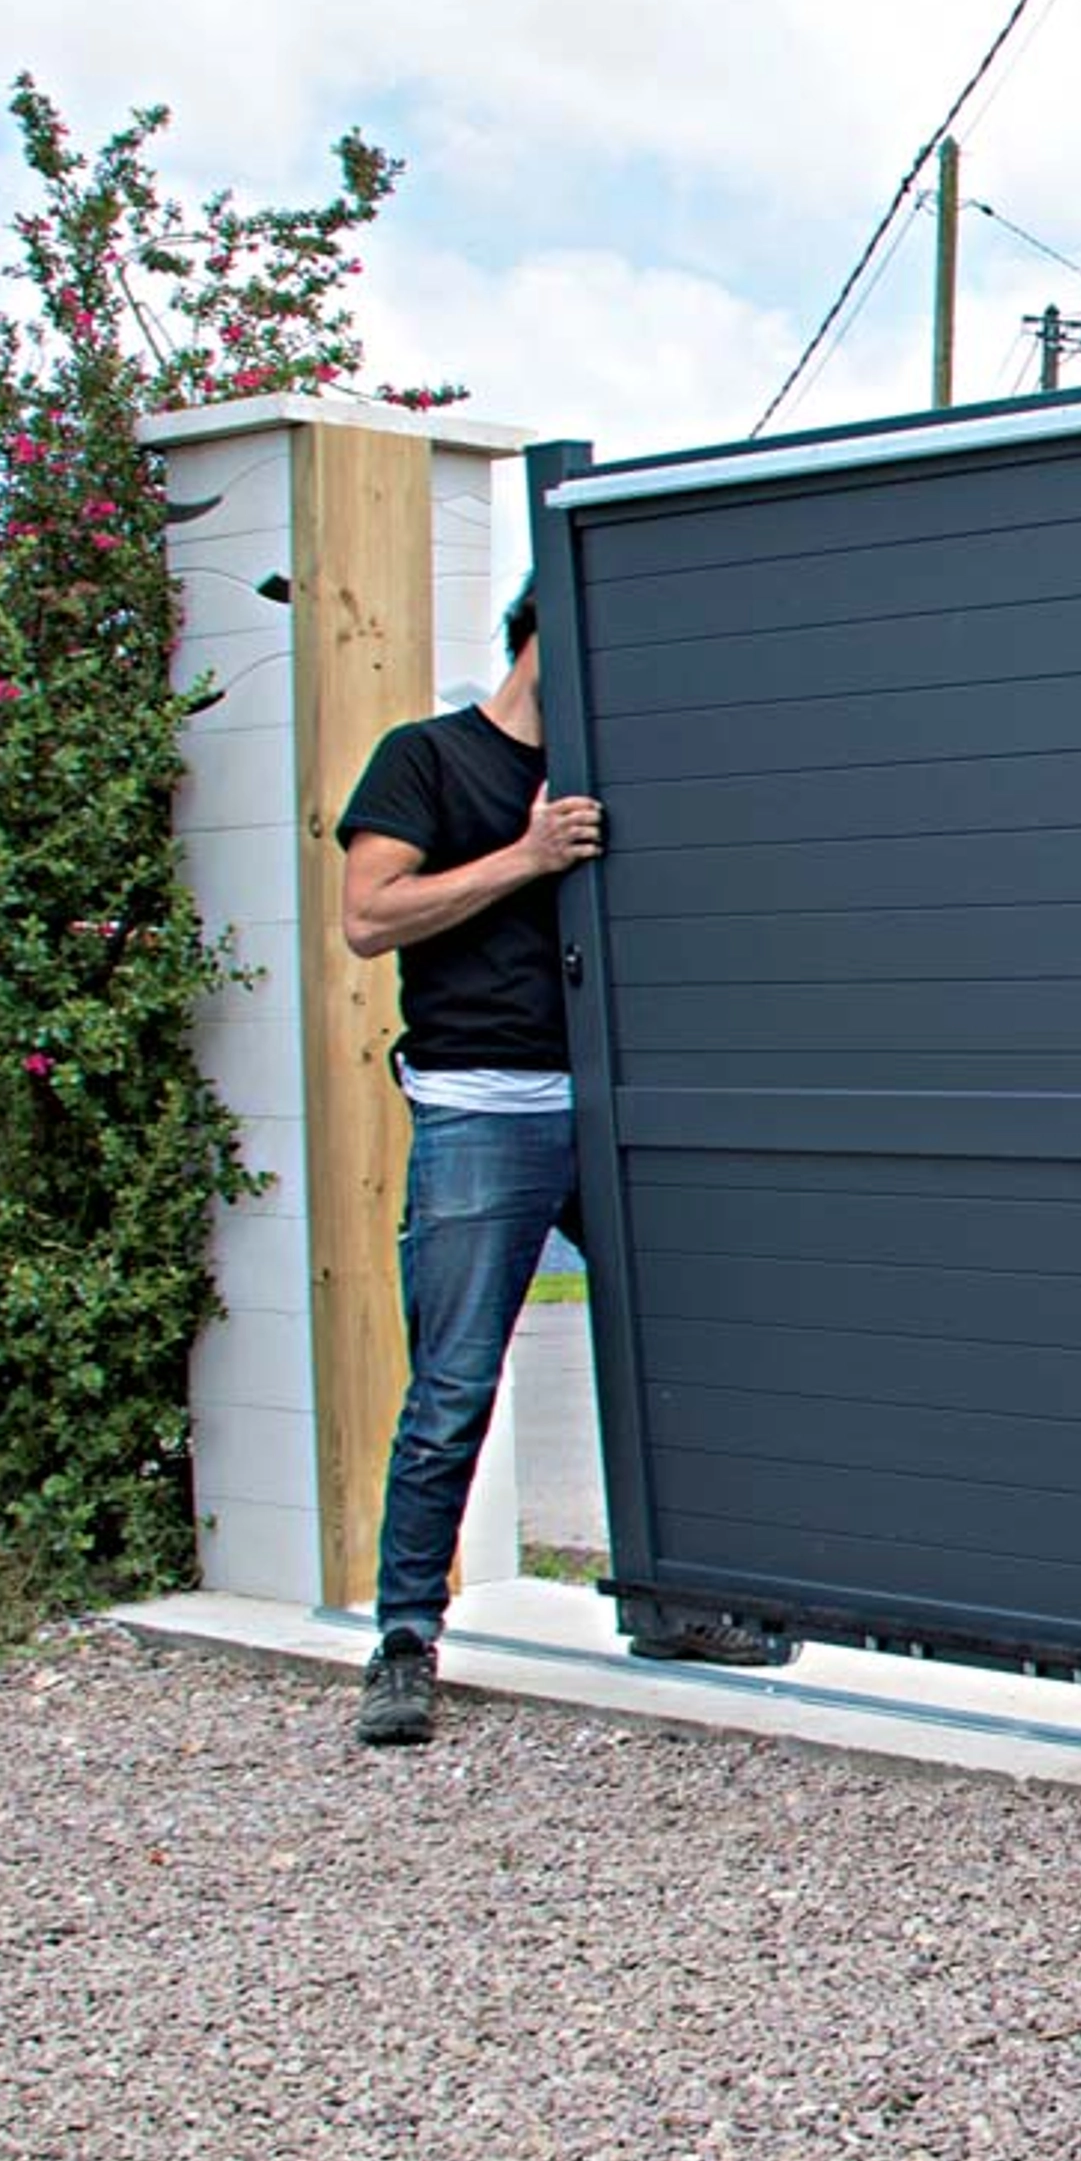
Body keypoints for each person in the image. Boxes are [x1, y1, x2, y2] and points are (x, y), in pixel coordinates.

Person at [339, 578, 794, 1750]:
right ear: (538, 636)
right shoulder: (427, 759)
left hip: (615, 1101)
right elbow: (370, 914)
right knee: (453, 1384)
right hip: (486, 1107)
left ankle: (675, 1599)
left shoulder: (618, 775)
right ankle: (402, 1639)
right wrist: (528, 854)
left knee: (681, 1347)